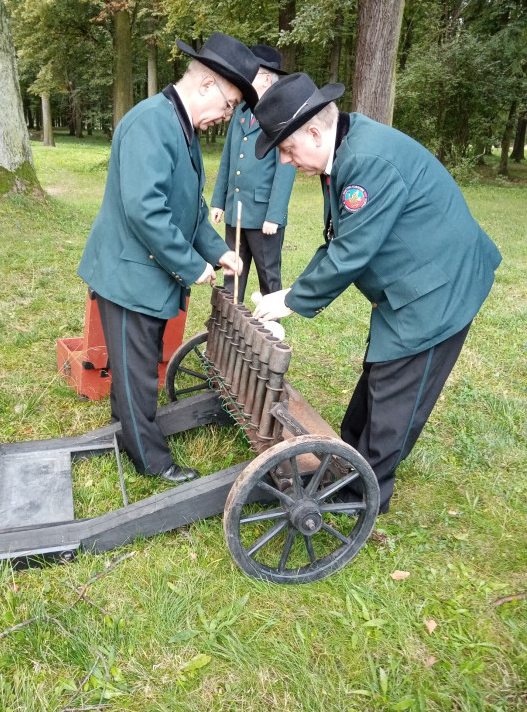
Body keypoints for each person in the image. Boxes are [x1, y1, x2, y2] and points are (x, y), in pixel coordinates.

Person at [251, 72, 502, 514]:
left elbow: (350, 254)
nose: (287, 162)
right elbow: (337, 240)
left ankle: (366, 494)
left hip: (439, 290)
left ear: (313, 131)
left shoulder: (367, 162)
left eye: (288, 149)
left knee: (397, 394)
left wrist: (290, 301)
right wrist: (291, 291)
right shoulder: (345, 151)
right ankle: (348, 461)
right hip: (409, 283)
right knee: (379, 373)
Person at [78, 33, 260, 484]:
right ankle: (152, 461)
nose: (227, 115)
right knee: (138, 375)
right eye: (230, 102)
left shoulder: (179, 125)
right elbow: (146, 210)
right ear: (206, 85)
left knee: (134, 368)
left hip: (144, 275)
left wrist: (219, 253)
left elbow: (191, 207)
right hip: (129, 275)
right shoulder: (152, 123)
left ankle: (129, 434)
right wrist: (192, 265)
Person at [210, 45, 296, 303]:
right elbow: (228, 156)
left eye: (253, 72)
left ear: (267, 78)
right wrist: (218, 200)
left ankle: (270, 333)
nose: (246, 76)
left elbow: (287, 166)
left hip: (263, 216)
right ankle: (227, 328)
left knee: (268, 276)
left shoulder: (283, 113)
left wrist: (275, 214)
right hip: (235, 208)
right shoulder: (242, 111)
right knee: (232, 274)